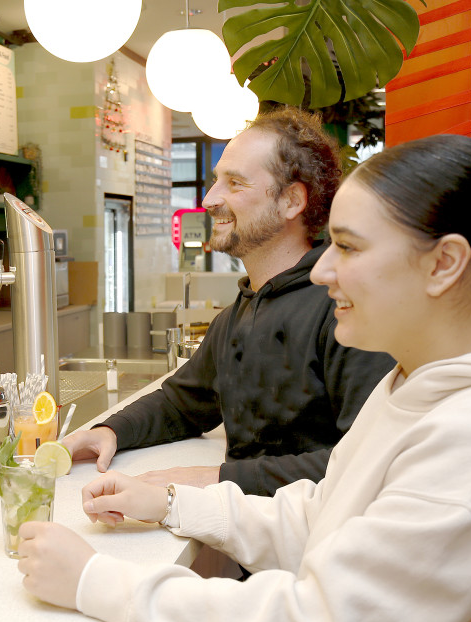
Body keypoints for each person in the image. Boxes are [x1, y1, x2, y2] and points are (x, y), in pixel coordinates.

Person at [16, 134, 471, 622]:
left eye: (349, 247)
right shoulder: (417, 385)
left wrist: (95, 581)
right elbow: (324, 513)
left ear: (444, 264)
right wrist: (173, 502)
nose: (323, 269)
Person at [65, 108, 395, 494]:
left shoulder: (346, 309)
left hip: (318, 546)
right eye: (215, 181)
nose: (209, 199)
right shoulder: (239, 312)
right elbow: (181, 405)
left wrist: (221, 478)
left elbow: (365, 460)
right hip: (247, 539)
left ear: (291, 201)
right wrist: (110, 431)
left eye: (235, 184)